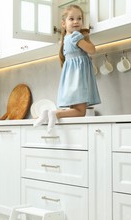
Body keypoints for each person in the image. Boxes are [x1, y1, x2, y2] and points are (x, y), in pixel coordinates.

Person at [33, 4, 100, 133]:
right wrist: (86, 36)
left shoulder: (66, 39)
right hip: (78, 80)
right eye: (71, 19)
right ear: (63, 24)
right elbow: (92, 50)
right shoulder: (76, 36)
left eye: (79, 18)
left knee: (74, 110)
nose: (76, 21)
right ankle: (55, 114)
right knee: (81, 112)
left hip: (71, 80)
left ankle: (49, 112)